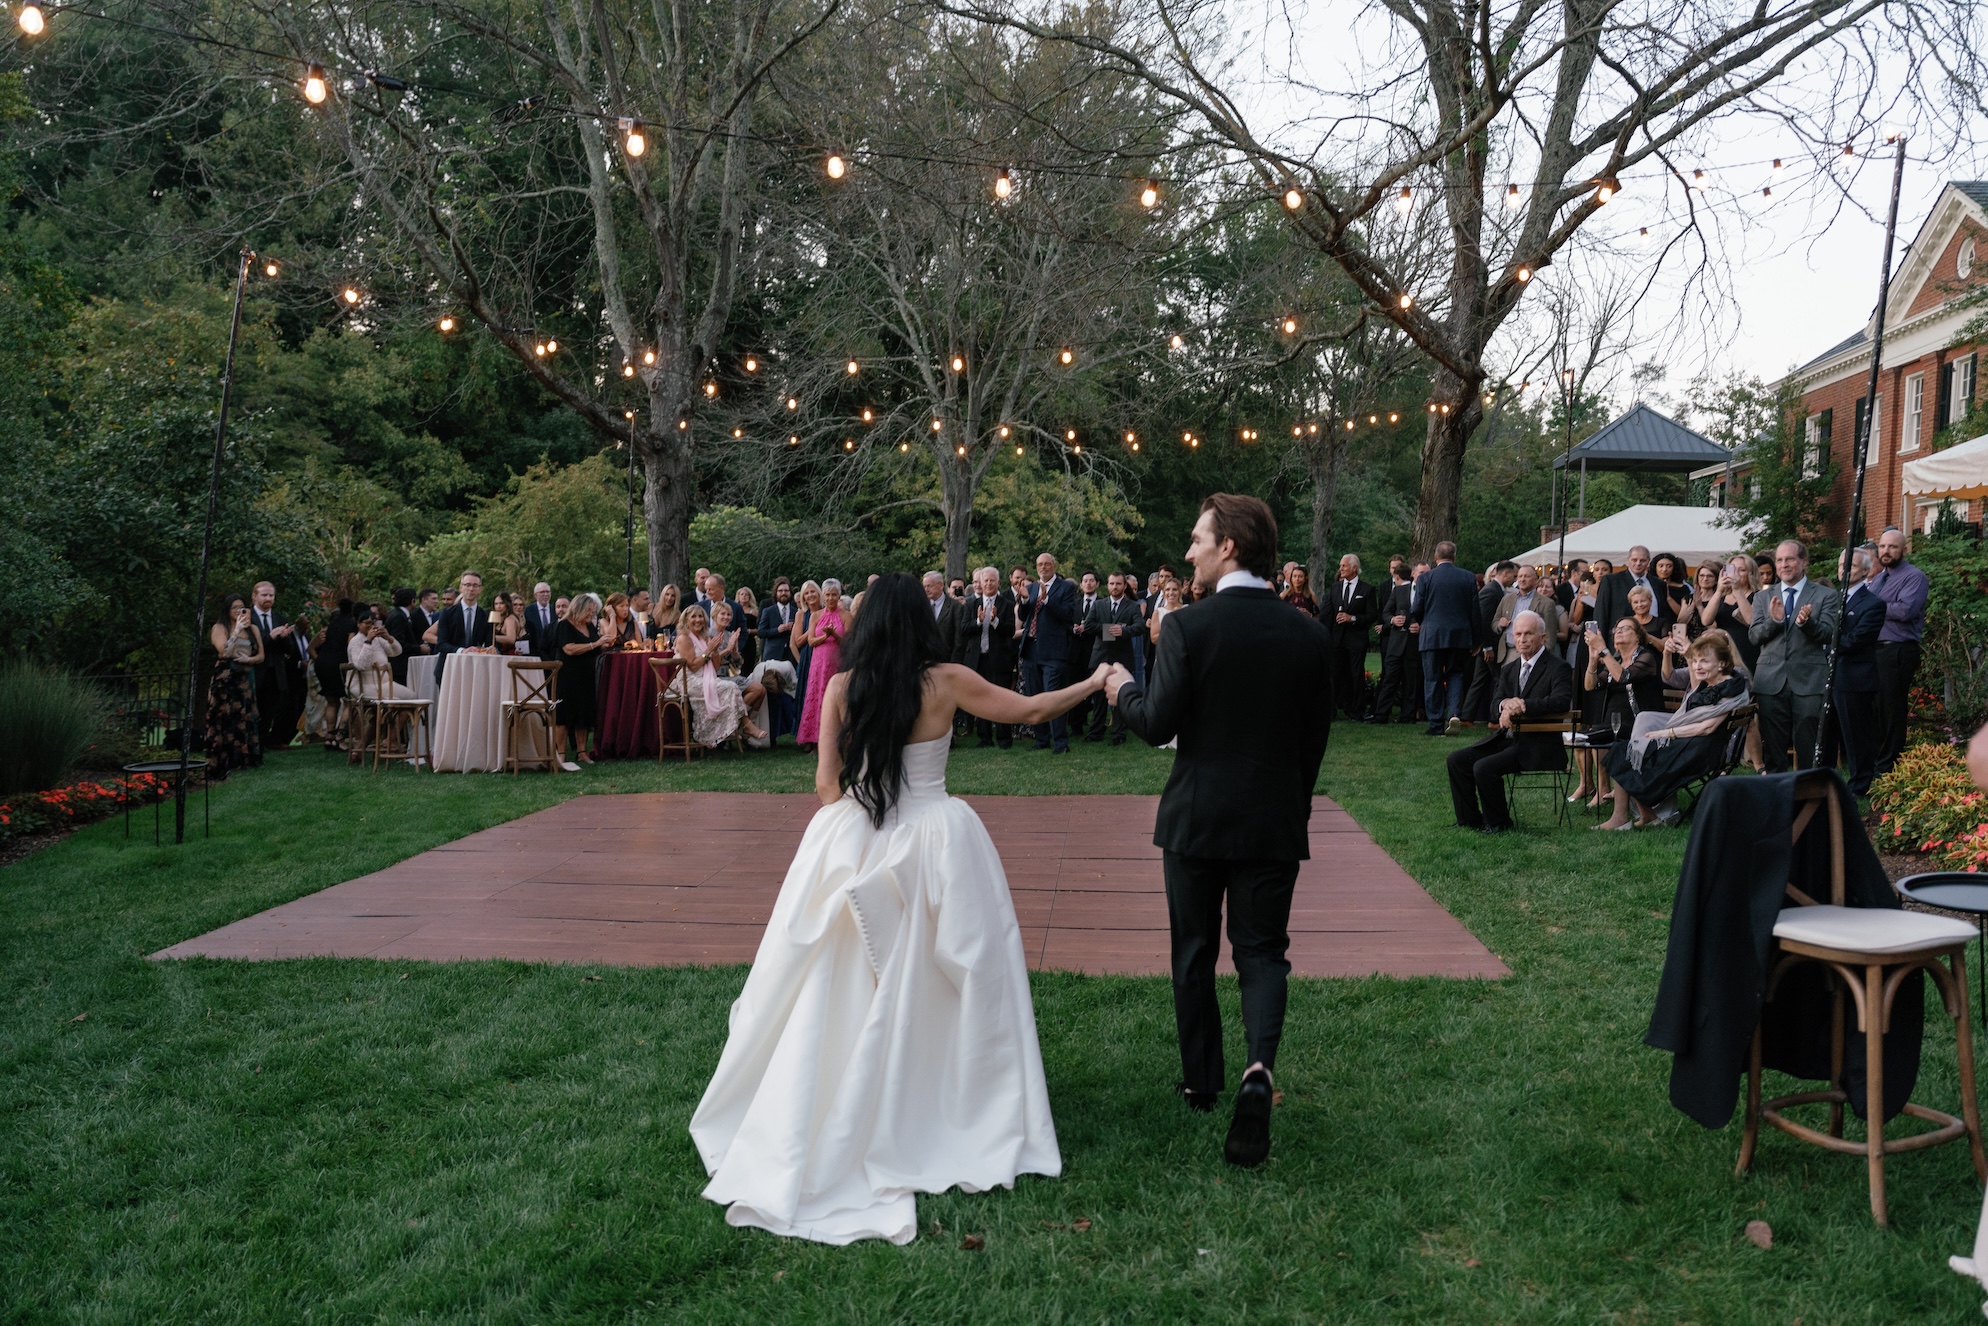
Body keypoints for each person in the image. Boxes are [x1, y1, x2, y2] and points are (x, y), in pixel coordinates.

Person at [690, 572, 1106, 1245]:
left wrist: (863, 818)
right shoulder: (946, 682)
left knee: (840, 969)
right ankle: (945, 1092)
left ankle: (839, 1091)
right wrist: (1093, 685)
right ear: (921, 622)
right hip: (938, 833)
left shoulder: (842, 688)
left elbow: (827, 786)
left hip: (856, 829)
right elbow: (1029, 711)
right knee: (956, 971)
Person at [1106, 494, 1334, 1169]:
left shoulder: (1187, 627)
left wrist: (1120, 688)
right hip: (1272, 819)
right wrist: (1293, 805)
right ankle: (1257, 1070)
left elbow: (1157, 724)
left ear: (1228, 546)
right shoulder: (1309, 635)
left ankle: (1201, 1081)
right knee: (1263, 953)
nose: (1189, 553)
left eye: (1197, 539)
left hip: (1196, 819)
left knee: (1194, 951)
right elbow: (1313, 741)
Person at [1596, 629, 1751, 830]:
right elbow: (1689, 697)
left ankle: (1622, 818)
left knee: (1630, 751)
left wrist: (1664, 733)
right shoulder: (1714, 682)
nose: (1697, 666)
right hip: (1695, 742)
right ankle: (1646, 815)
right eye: (1695, 661)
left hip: (1702, 750)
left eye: (1703, 661)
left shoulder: (1731, 688)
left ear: (1722, 664)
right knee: (1630, 749)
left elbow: (1707, 727)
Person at [1443, 611, 1573, 834]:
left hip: (1539, 745)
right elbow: (1495, 704)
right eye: (1518, 634)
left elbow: (1561, 701)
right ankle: (1470, 821)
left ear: (1542, 637)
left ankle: (1498, 823)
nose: (1522, 639)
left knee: (1483, 767)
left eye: (1528, 634)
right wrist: (1504, 705)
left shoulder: (1557, 667)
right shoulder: (1509, 669)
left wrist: (1522, 704)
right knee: (1457, 760)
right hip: (1507, 739)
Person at [1749, 539, 1842, 772]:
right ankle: (1777, 799)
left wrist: (1806, 623)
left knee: (1808, 746)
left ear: (1804, 562)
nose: (1784, 565)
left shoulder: (1825, 595)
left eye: (1790, 559)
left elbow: (1830, 634)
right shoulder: (1763, 597)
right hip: (1771, 682)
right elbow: (1754, 636)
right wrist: (1776, 620)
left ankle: (1808, 799)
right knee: (1774, 748)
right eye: (1779, 560)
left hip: (1809, 681)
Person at [1826, 544, 1885, 795]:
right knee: (1827, 735)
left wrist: (1825, 644)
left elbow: (1855, 640)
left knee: (1855, 738)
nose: (1844, 570)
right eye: (1841, 565)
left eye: (1849, 565)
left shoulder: (1873, 604)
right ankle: (1826, 783)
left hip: (1854, 680)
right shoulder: (1831, 598)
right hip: (1828, 677)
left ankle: (1860, 786)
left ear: (1865, 571)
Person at [1871, 526, 1929, 777]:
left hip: (1898, 650)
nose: (1886, 551)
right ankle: (1876, 759)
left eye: (1892, 547)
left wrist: (1875, 604)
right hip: (1874, 650)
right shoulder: (1878, 578)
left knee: (1892, 709)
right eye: (1883, 546)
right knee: (1876, 707)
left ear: (1904, 550)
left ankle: (1888, 764)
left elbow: (1906, 611)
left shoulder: (1914, 577)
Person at [1411, 542, 1483, 735]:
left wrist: (1422, 621)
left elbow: (1417, 608)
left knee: (1433, 679)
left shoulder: (1425, 578)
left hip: (1432, 635)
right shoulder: (1468, 577)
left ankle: (1435, 723)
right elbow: (1475, 611)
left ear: (1436, 556)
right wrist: (1477, 640)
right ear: (1454, 556)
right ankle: (1454, 713)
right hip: (1459, 635)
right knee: (1456, 675)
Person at [675, 604, 768, 745]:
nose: (697, 620)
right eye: (693, 617)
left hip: (708, 677)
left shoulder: (704, 637)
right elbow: (693, 666)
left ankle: (743, 725)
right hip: (691, 681)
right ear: (686, 620)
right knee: (731, 687)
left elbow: (715, 666)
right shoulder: (684, 638)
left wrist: (716, 651)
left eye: (700, 616)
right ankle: (746, 725)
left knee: (736, 687)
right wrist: (709, 650)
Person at [1018, 553, 1081, 754]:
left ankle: (1061, 742)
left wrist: (1046, 601)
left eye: (1047, 564)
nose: (1043, 567)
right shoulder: (1031, 587)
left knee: (1052, 697)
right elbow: (1022, 616)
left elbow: (1068, 615)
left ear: (1054, 566)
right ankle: (1041, 739)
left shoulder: (1066, 587)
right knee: (1035, 697)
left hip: (1054, 651)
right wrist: (1025, 600)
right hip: (1031, 649)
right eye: (1039, 564)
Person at [205, 593, 264, 779]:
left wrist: (250, 659)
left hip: (245, 676)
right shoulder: (219, 628)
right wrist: (237, 630)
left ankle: (244, 758)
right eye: (235, 608)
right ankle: (224, 758)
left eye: (242, 607)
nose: (239, 611)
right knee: (226, 716)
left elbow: (261, 655)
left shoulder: (253, 628)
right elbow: (223, 652)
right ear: (227, 610)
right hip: (226, 676)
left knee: (245, 715)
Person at [958, 566, 1017, 748]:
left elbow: (1010, 631)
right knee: (980, 699)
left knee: (1002, 698)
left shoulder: (1006, 604)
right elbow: (963, 629)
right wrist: (978, 621)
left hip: (999, 659)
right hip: (977, 660)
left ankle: (1004, 738)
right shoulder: (971, 604)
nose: (989, 584)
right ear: (980, 584)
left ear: (998, 583)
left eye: (992, 580)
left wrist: (994, 621)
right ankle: (984, 738)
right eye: (986, 581)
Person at [246, 581, 306, 750]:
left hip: (275, 672)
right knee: (252, 709)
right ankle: (250, 743)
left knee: (269, 711)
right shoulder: (248, 617)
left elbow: (289, 650)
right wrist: (271, 637)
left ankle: (263, 743)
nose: (268, 599)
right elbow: (250, 645)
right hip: (255, 671)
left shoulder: (279, 618)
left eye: (271, 596)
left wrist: (285, 637)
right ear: (254, 596)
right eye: (264, 595)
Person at [1082, 572, 1141, 743]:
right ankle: (1095, 733)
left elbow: (1139, 626)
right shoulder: (1099, 604)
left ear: (1124, 586)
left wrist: (1124, 631)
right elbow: (1089, 625)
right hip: (1100, 655)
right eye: (1111, 583)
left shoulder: (1132, 606)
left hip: (1122, 658)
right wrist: (1108, 630)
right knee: (1099, 699)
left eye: (1118, 584)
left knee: (1120, 697)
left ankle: (1119, 734)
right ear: (1107, 585)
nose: (1114, 587)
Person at [554, 593, 610, 765]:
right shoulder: (564, 625)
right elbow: (569, 649)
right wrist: (595, 644)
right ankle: (561, 752)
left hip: (586, 675)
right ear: (578, 609)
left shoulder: (589, 626)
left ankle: (582, 751)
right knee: (563, 715)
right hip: (567, 675)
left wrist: (604, 644)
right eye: (588, 612)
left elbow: (594, 647)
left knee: (583, 714)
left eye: (592, 612)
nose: (590, 615)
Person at [1460, 561, 1516, 723]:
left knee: (1479, 681)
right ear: (1505, 574)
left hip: (1490, 645)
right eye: (1513, 575)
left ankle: (1467, 717)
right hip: (1491, 646)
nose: (1514, 579)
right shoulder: (1491, 591)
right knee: (1499, 680)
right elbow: (1482, 621)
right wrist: (1487, 647)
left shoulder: (1496, 590)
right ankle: (1494, 719)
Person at [1368, 556, 1421, 724]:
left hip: (1410, 642)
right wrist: (1392, 620)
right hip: (1398, 642)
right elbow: (1386, 612)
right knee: (1402, 680)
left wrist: (1417, 625)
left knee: (1397, 680)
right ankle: (1397, 714)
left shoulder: (1418, 591)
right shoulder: (1397, 592)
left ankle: (1388, 715)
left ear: (1397, 577)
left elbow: (1385, 611)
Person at [1323, 555, 1377, 720]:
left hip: (1356, 639)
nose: (1341, 569)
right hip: (1337, 639)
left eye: (1345, 566)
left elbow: (1372, 615)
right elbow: (1328, 613)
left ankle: (1357, 710)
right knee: (1333, 675)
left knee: (1355, 675)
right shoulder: (1335, 588)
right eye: (1341, 565)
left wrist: (1352, 618)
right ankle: (1330, 710)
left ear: (1355, 568)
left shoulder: (1367, 590)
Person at [796, 579, 847, 749]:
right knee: (816, 697)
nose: (831, 598)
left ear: (839, 596)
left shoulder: (846, 615)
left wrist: (834, 634)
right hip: (818, 663)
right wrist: (825, 636)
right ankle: (812, 739)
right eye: (828, 595)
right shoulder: (816, 616)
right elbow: (810, 640)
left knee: (834, 697)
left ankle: (837, 738)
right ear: (823, 596)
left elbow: (849, 642)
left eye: (834, 595)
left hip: (836, 662)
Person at [1594, 545, 1672, 636]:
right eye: (1634, 560)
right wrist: (1600, 643)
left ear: (1648, 561)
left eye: (1642, 560)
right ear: (1628, 560)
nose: (1638, 563)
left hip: (1654, 639)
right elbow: (1601, 613)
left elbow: (1664, 614)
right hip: (1621, 639)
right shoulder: (1611, 581)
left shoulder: (1658, 584)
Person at [314, 597, 358, 753]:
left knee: (331, 701)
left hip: (322, 663)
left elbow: (318, 642)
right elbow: (351, 646)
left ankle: (329, 737)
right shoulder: (351, 624)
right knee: (349, 701)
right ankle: (340, 736)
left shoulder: (332, 624)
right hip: (339, 665)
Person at [1493, 564, 1562, 666]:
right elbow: (1494, 623)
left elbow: (1550, 635)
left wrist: (1542, 658)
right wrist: (1499, 625)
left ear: (1535, 580)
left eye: (1527, 576)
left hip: (1533, 655)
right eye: (1520, 576)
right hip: (1509, 653)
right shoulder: (1507, 599)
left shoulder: (1546, 603)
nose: (1522, 579)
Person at [429, 571, 492, 664]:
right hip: (449, 666)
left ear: (480, 589)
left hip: (476, 666)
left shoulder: (485, 616)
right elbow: (441, 644)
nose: (471, 589)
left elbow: (489, 643)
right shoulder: (447, 613)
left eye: (475, 585)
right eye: (467, 585)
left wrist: (491, 649)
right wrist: (462, 651)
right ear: (461, 587)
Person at [757, 578, 797, 664]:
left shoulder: (796, 611)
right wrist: (777, 630)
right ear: (776, 593)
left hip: (791, 655)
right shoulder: (768, 611)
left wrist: (794, 628)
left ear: (790, 593)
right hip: (772, 655)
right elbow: (761, 632)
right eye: (780, 591)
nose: (783, 593)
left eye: (786, 590)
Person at [524, 582, 560, 658]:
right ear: (535, 595)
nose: (545, 594)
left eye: (548, 592)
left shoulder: (556, 610)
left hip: (554, 653)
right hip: (535, 653)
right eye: (542, 592)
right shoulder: (528, 611)